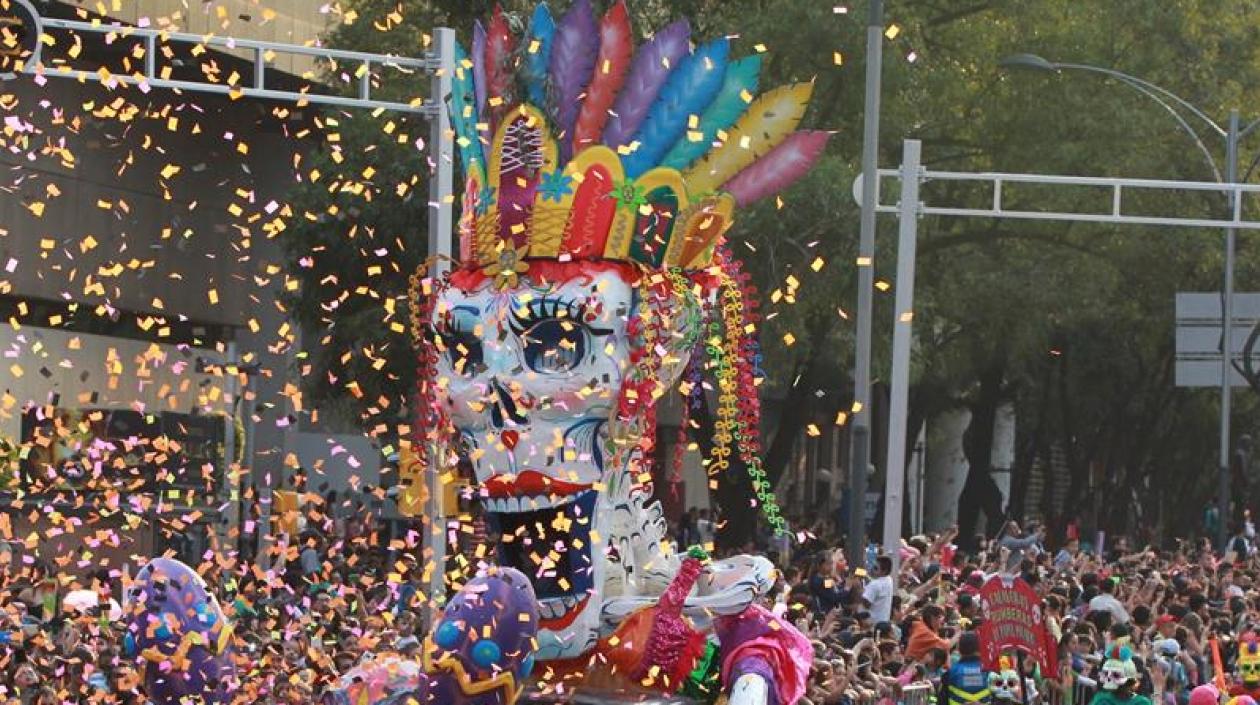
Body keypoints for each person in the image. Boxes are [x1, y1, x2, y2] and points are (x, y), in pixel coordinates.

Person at [941, 631, 991, 705]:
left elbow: (942, 701)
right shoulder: (990, 672)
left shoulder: (949, 673)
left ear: (959, 649)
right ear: (980, 647)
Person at [863, 554, 895, 624]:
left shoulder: (875, 585)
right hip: (884, 619)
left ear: (884, 571)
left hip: (872, 622)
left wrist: (859, 590)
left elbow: (866, 604)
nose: (872, 569)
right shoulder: (889, 579)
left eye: (875, 568)